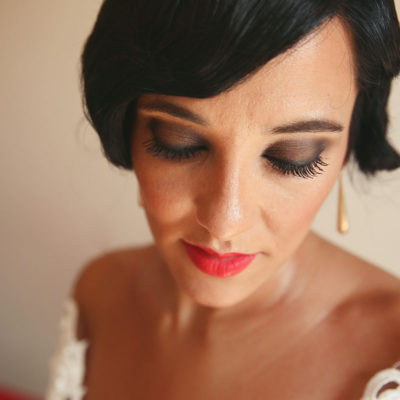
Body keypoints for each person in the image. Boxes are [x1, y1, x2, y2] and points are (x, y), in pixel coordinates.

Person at [46, 0, 400, 399]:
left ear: (350, 143)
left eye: (292, 157)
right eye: (179, 143)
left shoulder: (392, 353)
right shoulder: (100, 293)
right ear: (128, 128)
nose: (224, 221)